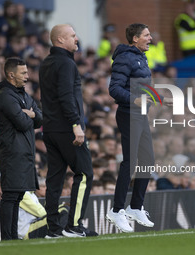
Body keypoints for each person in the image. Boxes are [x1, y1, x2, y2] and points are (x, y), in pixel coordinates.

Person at [106, 23, 172, 233]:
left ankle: (135, 207)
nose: (150, 38)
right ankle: (116, 210)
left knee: (147, 161)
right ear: (134, 38)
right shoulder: (125, 57)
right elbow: (114, 88)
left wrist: (160, 98)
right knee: (131, 162)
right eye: (146, 35)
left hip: (139, 114)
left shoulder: (140, 57)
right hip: (128, 114)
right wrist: (134, 100)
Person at [39, 24, 96, 238]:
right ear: (60, 40)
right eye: (72, 36)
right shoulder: (66, 63)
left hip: (51, 129)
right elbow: (65, 96)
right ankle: (74, 225)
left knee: (55, 178)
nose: (77, 39)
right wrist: (76, 124)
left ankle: (53, 229)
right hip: (67, 129)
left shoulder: (46, 63)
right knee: (84, 173)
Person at [0, 57, 42, 240]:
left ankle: (12, 237)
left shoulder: (24, 95)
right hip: (12, 152)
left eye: (27, 72)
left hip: (24, 152)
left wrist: (30, 113)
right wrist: (31, 115)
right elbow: (23, 123)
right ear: (10, 74)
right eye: (23, 72)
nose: (27, 76)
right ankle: (8, 237)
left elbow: (39, 119)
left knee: (18, 195)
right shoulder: (5, 96)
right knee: (10, 196)